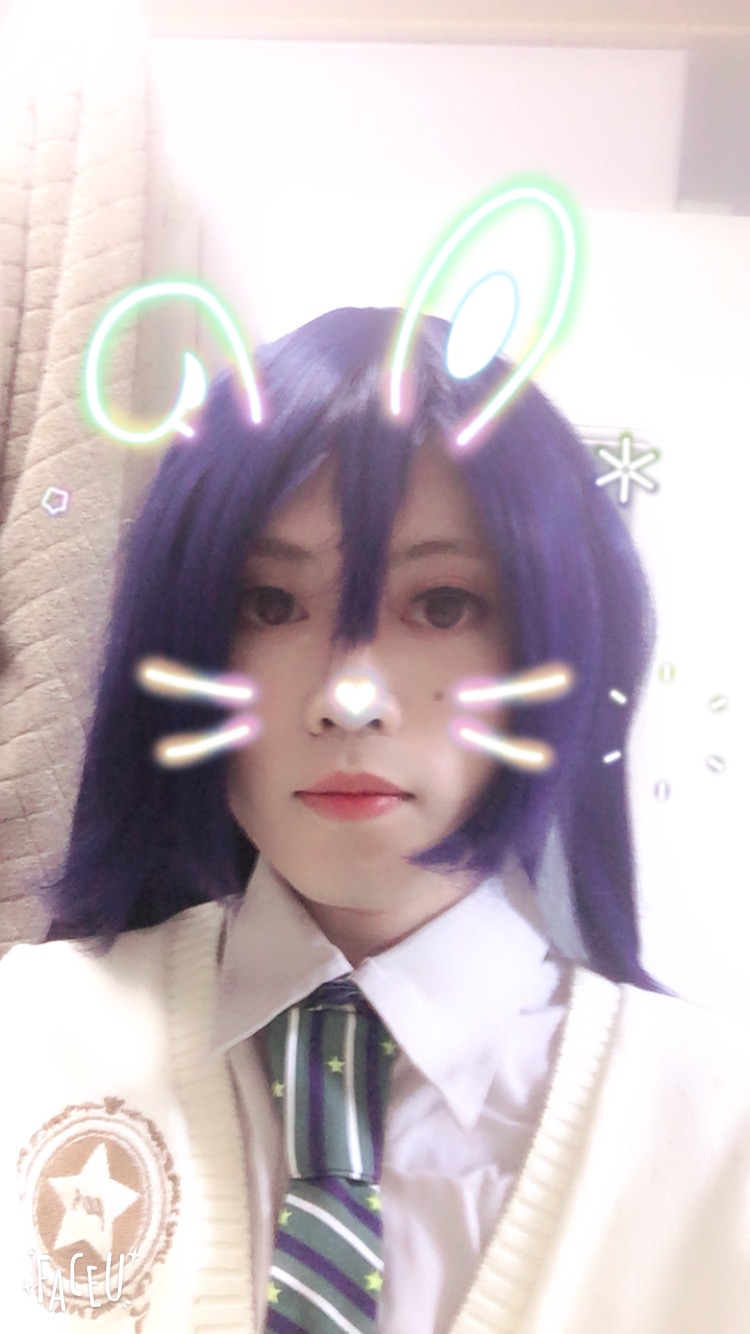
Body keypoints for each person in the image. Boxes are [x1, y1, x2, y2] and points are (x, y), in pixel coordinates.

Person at [1, 307, 749, 1332]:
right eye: (269, 603)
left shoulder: (718, 1131)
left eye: (443, 605)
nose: (349, 700)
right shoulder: (29, 1039)